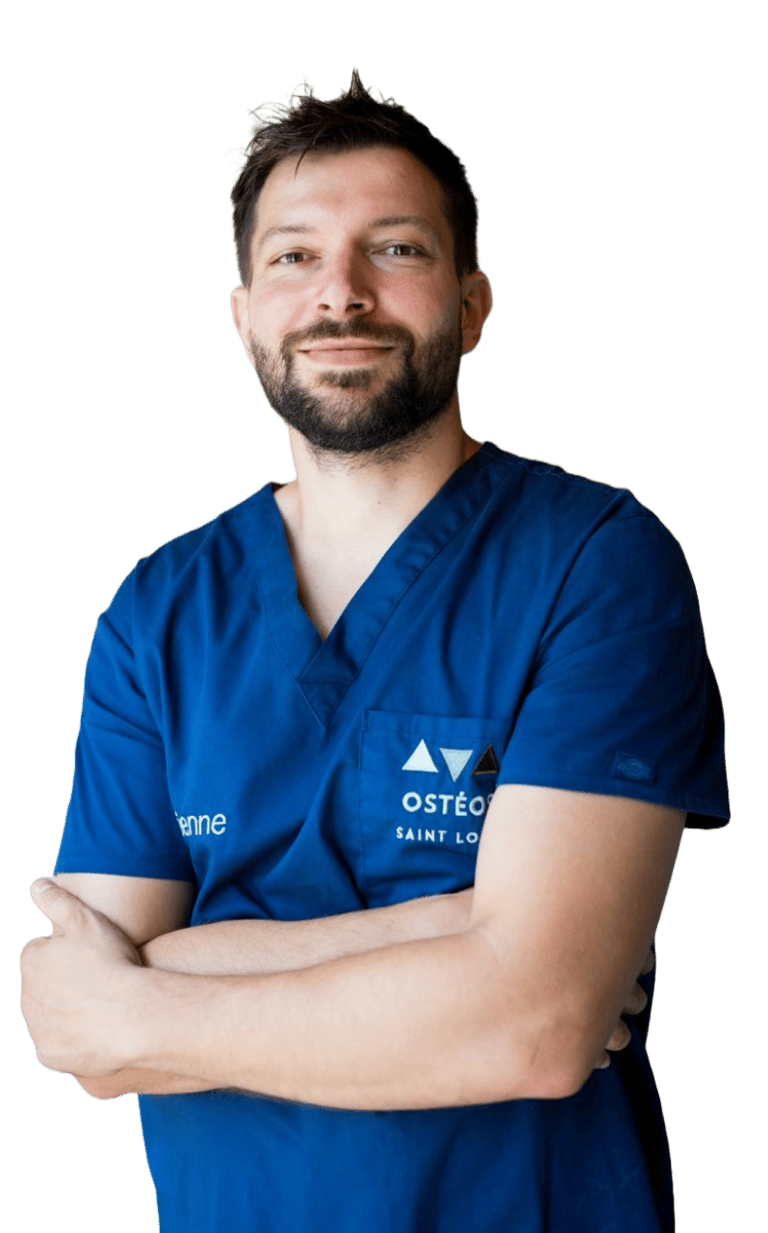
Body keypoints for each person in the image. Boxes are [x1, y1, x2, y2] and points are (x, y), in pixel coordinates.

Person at [20, 68, 729, 1233]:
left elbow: (540, 1027)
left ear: (474, 305)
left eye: (394, 249)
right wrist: (456, 936)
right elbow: (81, 1030)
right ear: (245, 317)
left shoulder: (596, 562)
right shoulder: (158, 612)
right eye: (294, 256)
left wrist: (154, 987)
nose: (339, 292)